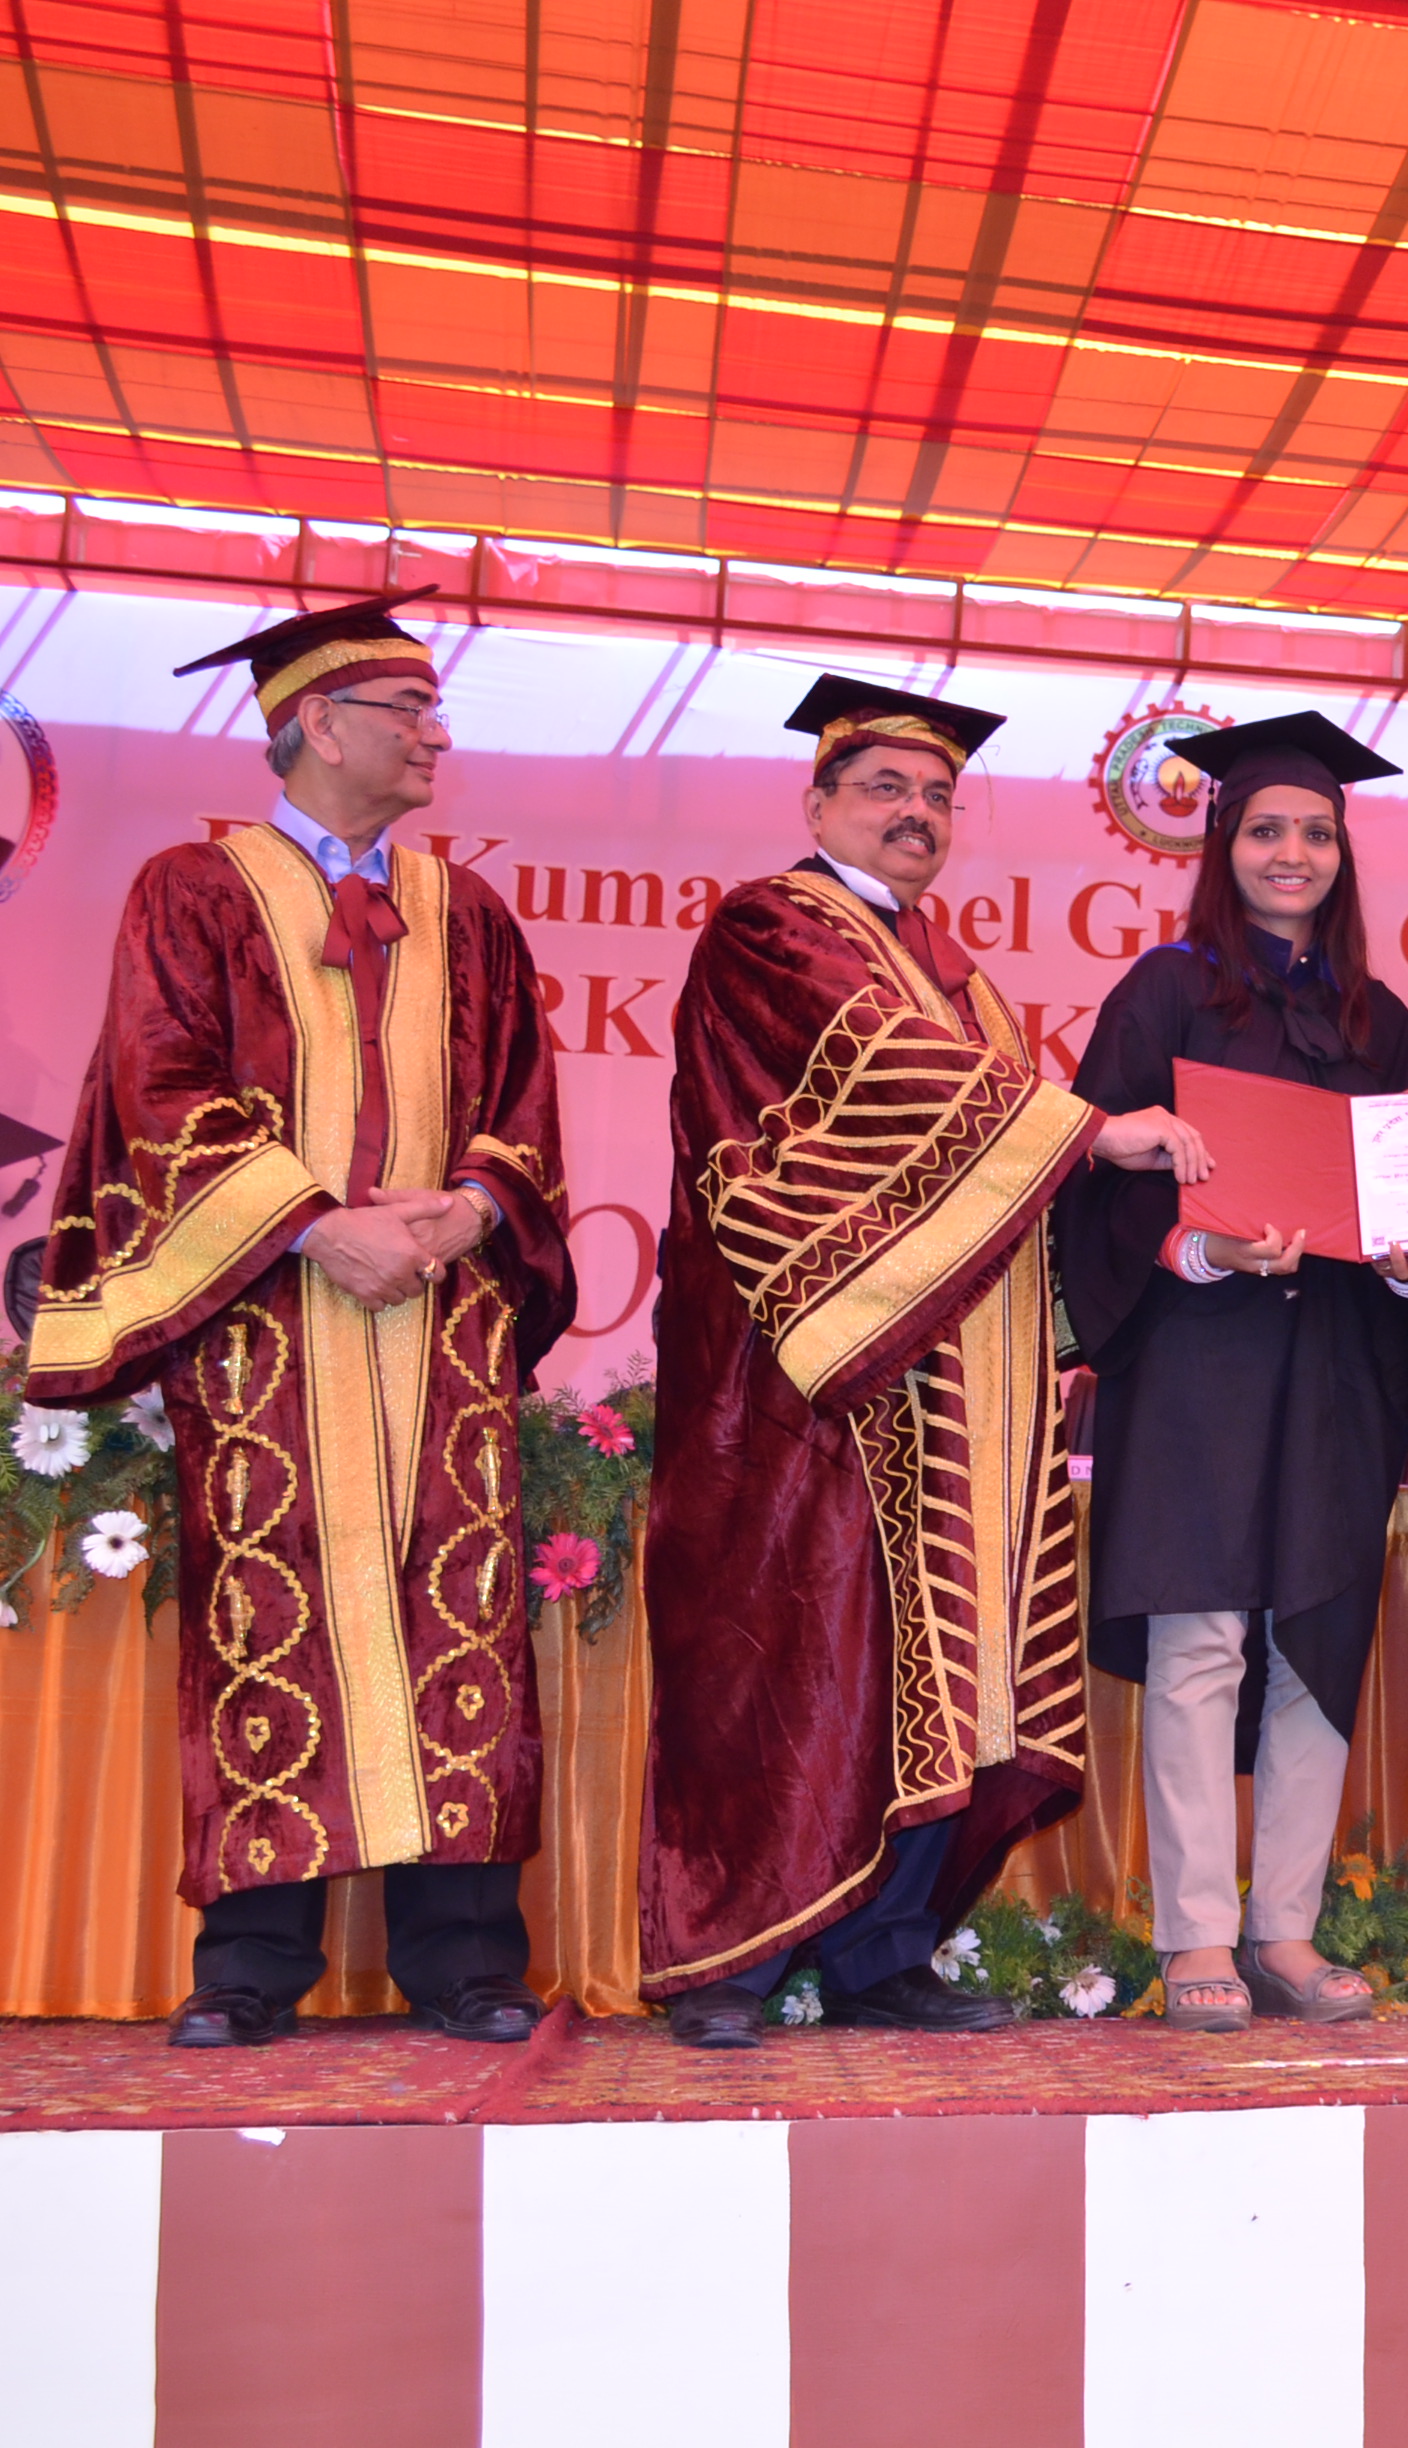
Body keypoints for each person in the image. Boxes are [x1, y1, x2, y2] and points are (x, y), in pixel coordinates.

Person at [28, 590, 575, 2047]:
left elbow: (525, 1102)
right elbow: (157, 1090)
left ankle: (468, 1958)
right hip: (271, 1321)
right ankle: (251, 1965)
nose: (437, 737)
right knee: (268, 1607)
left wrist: (472, 1211)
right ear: (318, 723)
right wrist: (317, 1223)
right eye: (412, 711)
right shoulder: (194, 892)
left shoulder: (470, 913)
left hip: (442, 1326)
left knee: (456, 1610)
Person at [639, 677, 1209, 2048]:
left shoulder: (955, 971)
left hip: (955, 1389)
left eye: (938, 796)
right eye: (886, 788)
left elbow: (995, 1163)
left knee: (935, 1667)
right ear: (818, 803)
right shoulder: (773, 926)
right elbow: (887, 1082)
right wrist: (1090, 1129)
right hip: (810, 1386)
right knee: (796, 1654)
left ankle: (883, 1949)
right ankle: (727, 1958)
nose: (916, 813)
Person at [1059, 712, 1408, 2032]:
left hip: (1335, 1358)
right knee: (1203, 1635)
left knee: (1316, 1637)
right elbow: (1095, 1180)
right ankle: (1196, 1935)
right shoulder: (1164, 993)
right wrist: (1200, 1244)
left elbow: (1402, 1211)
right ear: (1223, 846)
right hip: (1199, 1354)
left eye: (1317, 834)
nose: (1293, 854)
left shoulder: (1380, 1022)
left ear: (1344, 854)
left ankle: (1284, 1927)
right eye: (1267, 830)